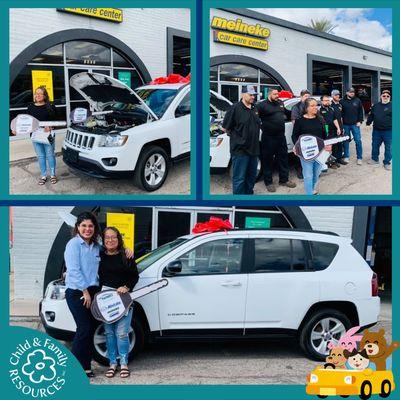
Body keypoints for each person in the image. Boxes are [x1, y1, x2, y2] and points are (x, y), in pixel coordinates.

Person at [64, 212, 102, 378]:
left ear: (95, 228)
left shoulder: (96, 246)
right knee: (84, 328)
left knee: (90, 329)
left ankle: (85, 366)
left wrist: (127, 251)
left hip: (93, 292)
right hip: (77, 292)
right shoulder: (73, 244)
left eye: (91, 226)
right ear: (77, 227)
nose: (87, 229)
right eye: (84, 225)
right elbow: (73, 270)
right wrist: (85, 291)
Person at [99, 227, 139, 379]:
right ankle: (112, 363)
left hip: (123, 301)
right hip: (105, 303)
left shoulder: (126, 255)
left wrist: (127, 286)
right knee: (109, 333)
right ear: (103, 240)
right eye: (107, 237)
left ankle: (123, 363)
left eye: (113, 237)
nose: (110, 240)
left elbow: (134, 276)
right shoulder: (100, 255)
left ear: (119, 238)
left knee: (122, 334)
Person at [222, 85, 261, 195]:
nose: (253, 97)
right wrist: (238, 139)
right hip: (240, 151)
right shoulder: (235, 108)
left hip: (254, 149)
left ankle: (248, 196)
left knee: (251, 176)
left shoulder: (255, 108)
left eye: (254, 95)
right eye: (250, 95)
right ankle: (238, 201)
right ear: (242, 94)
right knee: (239, 178)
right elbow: (225, 128)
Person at [257, 88, 296, 192]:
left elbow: (287, 113)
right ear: (269, 94)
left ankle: (284, 180)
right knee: (267, 160)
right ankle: (268, 182)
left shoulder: (280, 103)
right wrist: (262, 127)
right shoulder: (262, 105)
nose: (277, 96)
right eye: (275, 94)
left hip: (280, 137)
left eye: (277, 94)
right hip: (268, 137)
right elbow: (255, 119)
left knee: (283, 159)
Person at [292, 98, 332, 195]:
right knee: (308, 175)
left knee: (316, 174)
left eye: (316, 105)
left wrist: (328, 145)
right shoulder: (299, 121)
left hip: (320, 152)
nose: (316, 107)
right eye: (312, 106)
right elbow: (294, 136)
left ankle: (312, 188)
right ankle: (309, 195)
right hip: (306, 153)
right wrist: (296, 146)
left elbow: (325, 135)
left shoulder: (320, 119)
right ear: (306, 108)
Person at [27, 86, 58, 185]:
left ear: (45, 96)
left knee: (50, 155)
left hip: (47, 134)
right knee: (40, 156)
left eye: (40, 93)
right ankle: (43, 175)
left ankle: (53, 174)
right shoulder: (30, 107)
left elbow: (56, 121)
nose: (38, 95)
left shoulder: (51, 106)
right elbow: (27, 121)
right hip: (35, 135)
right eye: (36, 93)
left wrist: (51, 126)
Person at [366, 90, 392, 170]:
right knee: (375, 145)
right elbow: (371, 115)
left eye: (387, 96)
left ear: (389, 97)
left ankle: (387, 162)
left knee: (389, 147)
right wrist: (368, 124)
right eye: (384, 96)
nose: (385, 97)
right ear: (381, 97)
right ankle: (374, 159)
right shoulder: (376, 106)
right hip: (376, 131)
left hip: (389, 131)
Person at [340, 87, 364, 165]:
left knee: (358, 141)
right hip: (345, 125)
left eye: (353, 92)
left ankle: (359, 158)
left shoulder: (357, 100)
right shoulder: (342, 101)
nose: (352, 93)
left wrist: (360, 121)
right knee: (346, 141)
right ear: (347, 93)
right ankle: (346, 156)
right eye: (350, 92)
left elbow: (361, 111)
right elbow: (340, 113)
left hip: (355, 124)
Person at [291, 89, 311, 179]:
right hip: (300, 133)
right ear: (301, 97)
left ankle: (308, 170)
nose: (308, 98)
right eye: (306, 96)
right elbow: (294, 121)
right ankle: (299, 170)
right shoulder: (296, 107)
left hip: (310, 133)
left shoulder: (309, 106)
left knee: (309, 152)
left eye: (309, 96)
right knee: (300, 152)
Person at [319, 94, 342, 169]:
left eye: (328, 100)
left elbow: (335, 119)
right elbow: (321, 122)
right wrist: (326, 131)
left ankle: (334, 161)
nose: (327, 102)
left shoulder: (331, 109)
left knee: (334, 146)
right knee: (327, 147)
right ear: (322, 101)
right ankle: (327, 162)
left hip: (333, 130)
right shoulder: (319, 110)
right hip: (326, 131)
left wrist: (338, 128)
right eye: (325, 100)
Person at [330, 90, 347, 165]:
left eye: (338, 95)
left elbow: (341, 117)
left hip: (340, 127)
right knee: (334, 145)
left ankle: (339, 158)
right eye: (336, 95)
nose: (338, 96)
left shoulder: (340, 105)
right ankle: (334, 161)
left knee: (340, 143)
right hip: (332, 128)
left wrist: (342, 127)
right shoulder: (330, 105)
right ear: (332, 96)